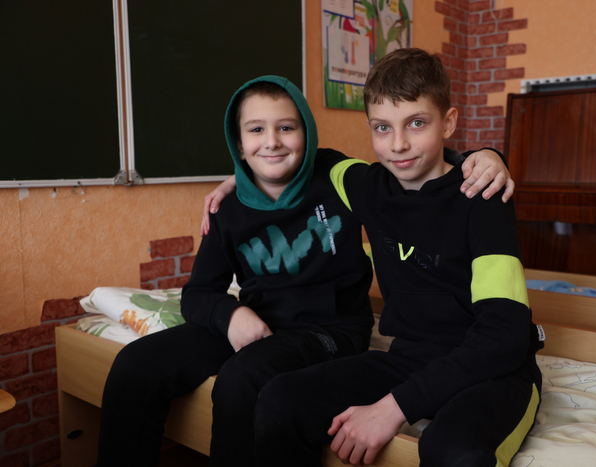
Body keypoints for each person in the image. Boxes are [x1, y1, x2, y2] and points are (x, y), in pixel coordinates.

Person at [96, 75, 512, 467]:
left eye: (286, 128)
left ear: (307, 134)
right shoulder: (227, 208)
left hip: (328, 329)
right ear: (238, 143)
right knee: (135, 365)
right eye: (256, 130)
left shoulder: (337, 179)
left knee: (241, 378)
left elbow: (421, 171)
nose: (272, 141)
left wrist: (487, 156)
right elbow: (198, 293)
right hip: (259, 323)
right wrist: (231, 315)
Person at [249, 48, 545, 467]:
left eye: (417, 123)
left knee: (452, 452)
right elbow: (316, 160)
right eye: (382, 128)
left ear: (449, 122)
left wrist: (394, 408)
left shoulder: (483, 196)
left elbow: (504, 335)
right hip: (410, 360)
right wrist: (236, 181)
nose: (398, 144)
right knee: (280, 400)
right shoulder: (367, 187)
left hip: (494, 370)